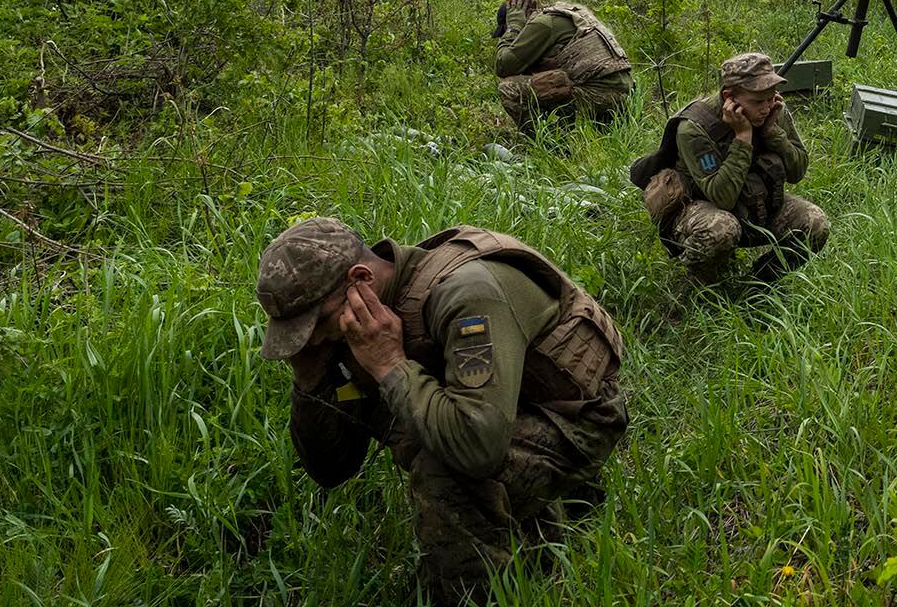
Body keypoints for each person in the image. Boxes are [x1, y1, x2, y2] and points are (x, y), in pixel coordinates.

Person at [258, 218, 627, 606]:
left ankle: (477, 593)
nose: (312, 339)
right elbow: (331, 470)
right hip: (495, 412)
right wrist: (310, 377)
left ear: (361, 279)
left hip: (574, 417)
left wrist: (389, 364)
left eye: (316, 324)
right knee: (427, 437)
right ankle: (547, 516)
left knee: (443, 471)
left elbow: (478, 448)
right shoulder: (362, 320)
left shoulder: (467, 294)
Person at [628, 52, 831, 284]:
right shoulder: (695, 127)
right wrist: (743, 137)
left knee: (815, 223)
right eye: (757, 101)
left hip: (756, 202)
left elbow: (797, 172)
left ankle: (760, 283)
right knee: (720, 230)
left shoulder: (772, 110)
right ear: (729, 98)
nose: (766, 107)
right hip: (702, 209)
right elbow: (721, 197)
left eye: (770, 97)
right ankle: (703, 287)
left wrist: (772, 134)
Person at [493, 0, 633, 134]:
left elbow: (503, 66)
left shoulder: (542, 23)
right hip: (624, 92)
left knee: (509, 89)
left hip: (597, 95)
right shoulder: (568, 13)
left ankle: (551, 148)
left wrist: (513, 29)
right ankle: (578, 134)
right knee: (549, 80)